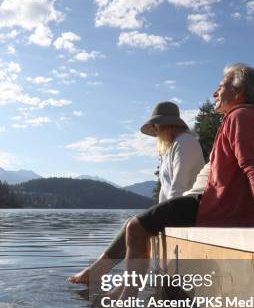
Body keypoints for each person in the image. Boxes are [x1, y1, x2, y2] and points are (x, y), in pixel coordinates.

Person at [69, 63, 254, 286]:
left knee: (136, 226)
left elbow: (253, 165)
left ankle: (126, 304)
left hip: (213, 205)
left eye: (221, 86)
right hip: (213, 203)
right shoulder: (241, 117)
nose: (214, 93)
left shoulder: (239, 117)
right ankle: (116, 288)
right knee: (136, 224)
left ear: (239, 92)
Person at [68, 101, 204, 284]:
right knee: (130, 224)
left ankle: (109, 280)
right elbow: (166, 191)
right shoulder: (172, 147)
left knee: (134, 226)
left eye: (156, 126)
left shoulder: (186, 143)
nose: (155, 132)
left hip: (187, 209)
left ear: (166, 124)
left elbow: (178, 187)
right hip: (175, 207)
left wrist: (160, 219)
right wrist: (156, 214)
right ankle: (97, 272)